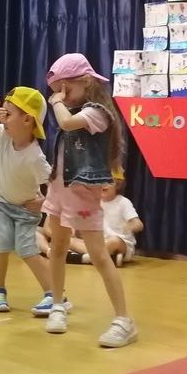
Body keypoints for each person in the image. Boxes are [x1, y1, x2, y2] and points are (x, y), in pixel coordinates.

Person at [43, 53, 137, 347]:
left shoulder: (97, 113)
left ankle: (124, 321)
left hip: (82, 193)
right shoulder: (75, 108)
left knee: (99, 255)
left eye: (65, 88)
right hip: (59, 189)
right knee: (57, 247)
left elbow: (67, 123)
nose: (61, 95)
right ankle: (57, 304)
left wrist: (56, 102)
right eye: (57, 90)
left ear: (85, 81)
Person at [0, 88, 55, 314]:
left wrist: (43, 202)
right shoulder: (0, 134)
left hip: (26, 210)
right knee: (1, 243)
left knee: (27, 250)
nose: (2, 118)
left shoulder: (35, 157)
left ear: (27, 120)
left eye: (7, 114)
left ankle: (55, 295)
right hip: (0, 202)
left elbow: (55, 185)